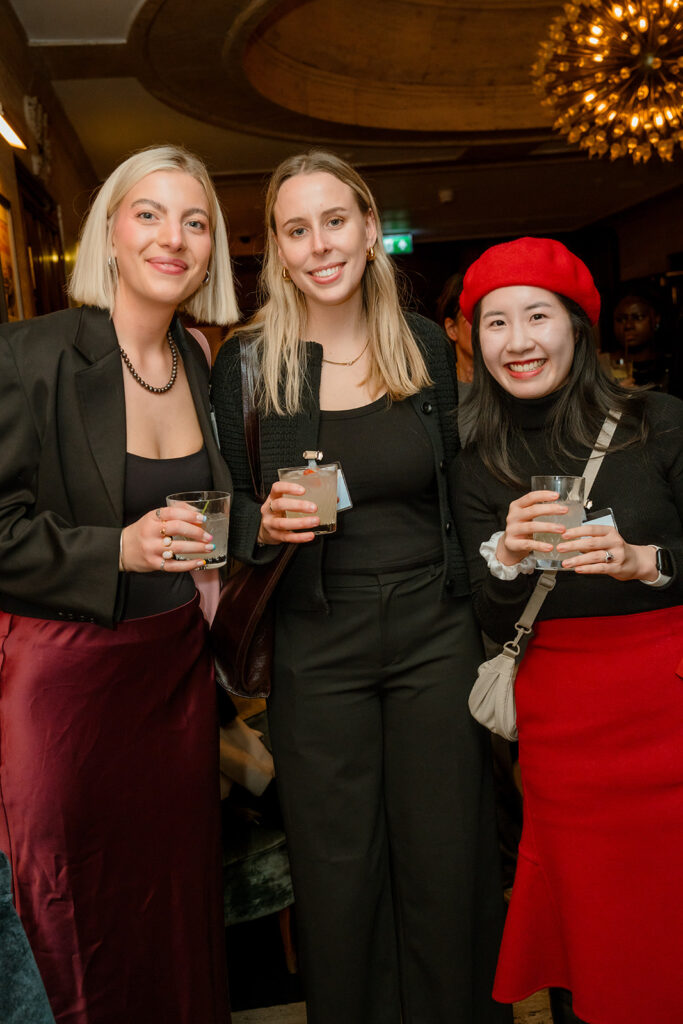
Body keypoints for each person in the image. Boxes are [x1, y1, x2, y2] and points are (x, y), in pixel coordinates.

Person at [212, 150, 508, 1024]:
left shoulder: (418, 344)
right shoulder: (247, 365)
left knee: (445, 856)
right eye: (295, 230)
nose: (318, 246)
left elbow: (462, 483)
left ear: (369, 228)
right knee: (337, 866)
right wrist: (258, 526)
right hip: (316, 637)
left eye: (333, 222)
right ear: (276, 247)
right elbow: (227, 506)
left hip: (433, 630)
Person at [0, 145, 239, 1024]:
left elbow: (207, 526)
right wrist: (117, 551)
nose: (172, 238)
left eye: (195, 219)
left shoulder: (200, 362)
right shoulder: (31, 356)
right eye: (149, 213)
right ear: (108, 229)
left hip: (172, 682)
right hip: (66, 685)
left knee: (173, 910)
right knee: (72, 919)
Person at [452, 236, 683, 1024]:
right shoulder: (475, 458)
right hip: (562, 731)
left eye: (537, 316)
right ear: (473, 340)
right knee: (587, 934)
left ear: (578, 329)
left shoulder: (659, 422)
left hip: (669, 708)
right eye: (494, 323)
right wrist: (508, 556)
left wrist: (642, 560)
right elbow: (486, 618)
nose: (517, 342)